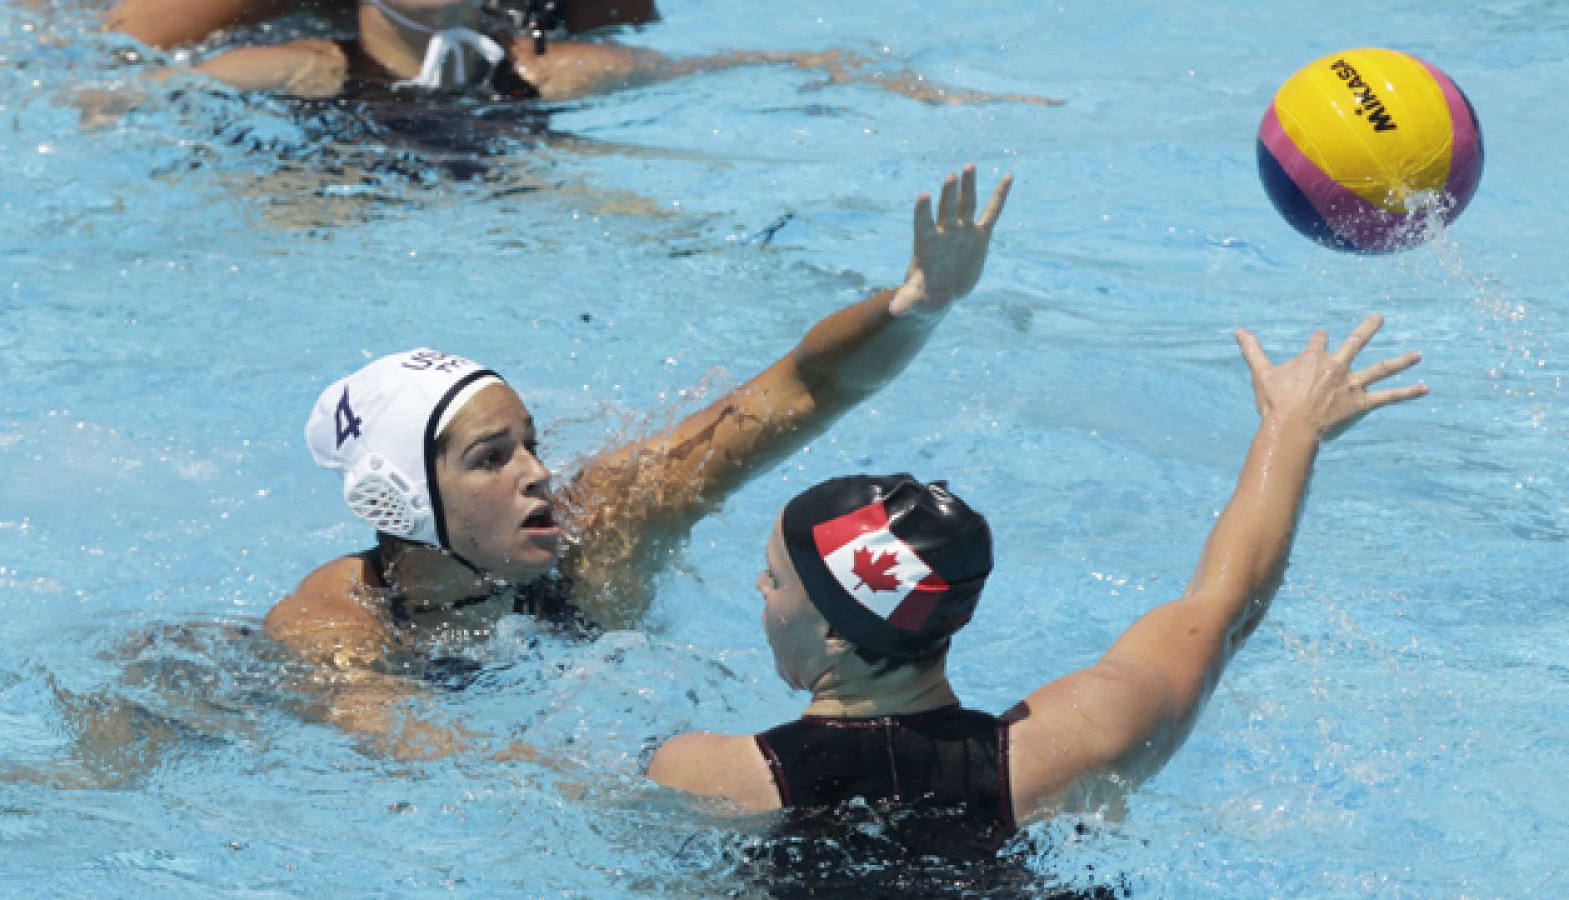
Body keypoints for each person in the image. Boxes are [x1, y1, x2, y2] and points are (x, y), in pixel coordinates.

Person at [264, 165, 1014, 758]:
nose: (537, 473)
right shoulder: (338, 626)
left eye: (531, 443)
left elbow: (800, 388)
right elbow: (428, 754)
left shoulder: (606, 532)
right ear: (403, 498)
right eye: (490, 458)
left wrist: (915, 307)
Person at [646, 316, 1426, 850]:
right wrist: (1293, 426)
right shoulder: (1072, 747)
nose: (760, 588)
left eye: (777, 578)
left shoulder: (707, 776)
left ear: (836, 633)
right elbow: (1221, 609)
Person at [100, 0, 1060, 105]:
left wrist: (895, 80)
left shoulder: (550, 65)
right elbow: (117, 84)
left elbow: (738, 66)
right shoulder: (303, 62)